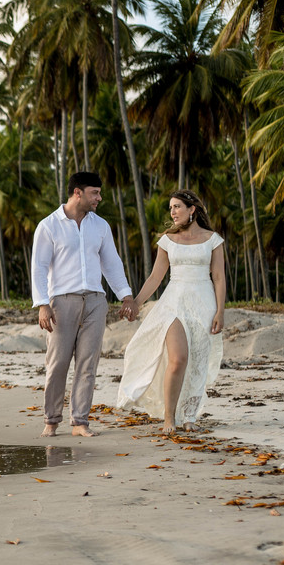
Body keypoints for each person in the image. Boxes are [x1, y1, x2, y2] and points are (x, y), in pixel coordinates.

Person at [31, 172, 138, 438]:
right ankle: (51, 420)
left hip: (95, 302)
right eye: (95, 193)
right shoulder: (48, 226)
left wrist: (126, 296)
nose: (99, 198)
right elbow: (39, 267)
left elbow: (111, 263)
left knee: (87, 365)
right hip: (61, 303)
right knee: (57, 364)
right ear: (77, 193)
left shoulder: (100, 226)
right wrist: (42, 304)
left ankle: (80, 422)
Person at [116, 189, 226, 435]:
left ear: (192, 209)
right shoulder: (167, 240)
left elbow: (219, 277)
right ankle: (169, 417)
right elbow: (156, 277)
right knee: (178, 360)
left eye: (177, 207)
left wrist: (220, 311)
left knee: (197, 362)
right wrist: (136, 303)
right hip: (173, 302)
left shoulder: (213, 240)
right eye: (170, 208)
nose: (173, 212)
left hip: (204, 303)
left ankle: (190, 417)